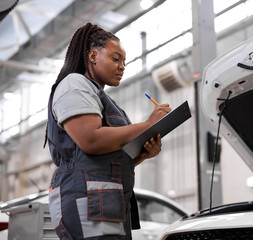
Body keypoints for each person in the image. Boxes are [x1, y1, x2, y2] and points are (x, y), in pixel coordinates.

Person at [44, 22, 171, 240]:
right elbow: (91, 140)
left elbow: (105, 158)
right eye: (115, 58)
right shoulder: (74, 84)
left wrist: (140, 154)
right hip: (86, 198)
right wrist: (148, 124)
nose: (122, 66)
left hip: (105, 200)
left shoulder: (100, 97)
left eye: (124, 62)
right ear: (93, 56)